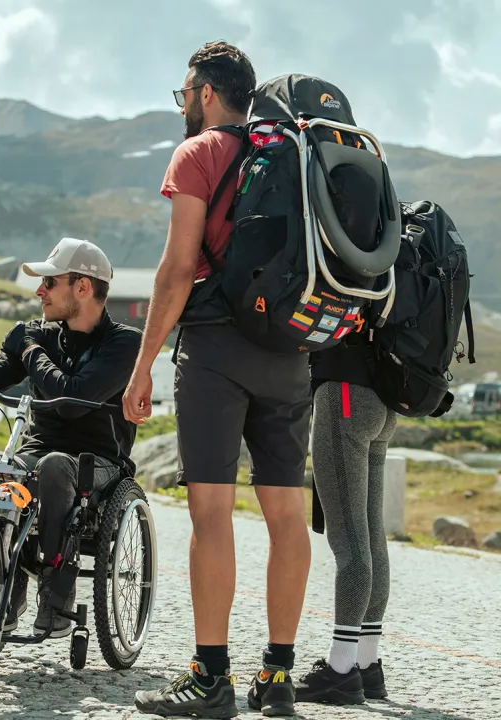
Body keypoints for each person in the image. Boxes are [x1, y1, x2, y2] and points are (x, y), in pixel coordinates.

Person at [126, 41, 311, 719]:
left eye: (184, 95)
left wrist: (144, 364)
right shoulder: (294, 157)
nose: (184, 107)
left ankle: (210, 678)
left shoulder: (200, 152)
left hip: (215, 348)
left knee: (211, 509)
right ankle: (280, 676)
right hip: (291, 351)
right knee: (287, 513)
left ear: (206, 92)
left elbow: (178, 269)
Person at [0, 237, 141, 636]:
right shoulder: (38, 335)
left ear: (83, 287)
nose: (39, 291)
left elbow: (71, 398)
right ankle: (3, 590)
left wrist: (31, 352)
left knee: (56, 467)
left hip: (101, 461)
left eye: (49, 282)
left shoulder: (125, 344)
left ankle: (57, 602)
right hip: (40, 451)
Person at [294, 165, 396, 706]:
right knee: (371, 535)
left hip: (344, 396)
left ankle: (338, 670)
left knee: (348, 542)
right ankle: (368, 663)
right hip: (383, 400)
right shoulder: (385, 245)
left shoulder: (337, 249)